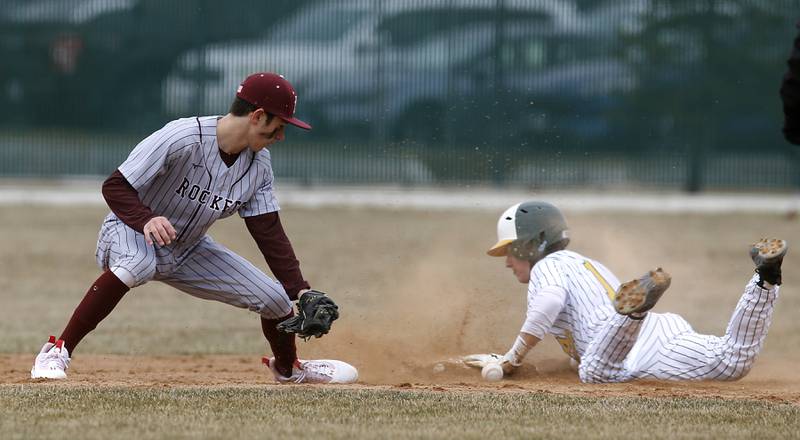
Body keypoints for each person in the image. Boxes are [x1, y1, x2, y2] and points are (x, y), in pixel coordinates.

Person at [30, 72, 358, 384]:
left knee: (275, 300)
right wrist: (146, 219)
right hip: (129, 231)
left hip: (187, 248)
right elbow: (116, 186)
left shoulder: (258, 166)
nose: (281, 136)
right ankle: (58, 351)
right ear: (257, 116)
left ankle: (289, 370)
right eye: (278, 126)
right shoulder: (183, 137)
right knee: (138, 264)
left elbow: (268, 230)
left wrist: (299, 290)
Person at [464, 201, 787, 383]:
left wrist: (513, 357)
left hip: (625, 345)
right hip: (662, 331)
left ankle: (634, 311)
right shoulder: (584, 263)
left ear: (533, 244)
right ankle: (765, 278)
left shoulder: (547, 266)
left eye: (511, 250)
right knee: (732, 362)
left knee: (594, 372)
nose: (507, 262)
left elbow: (549, 301)